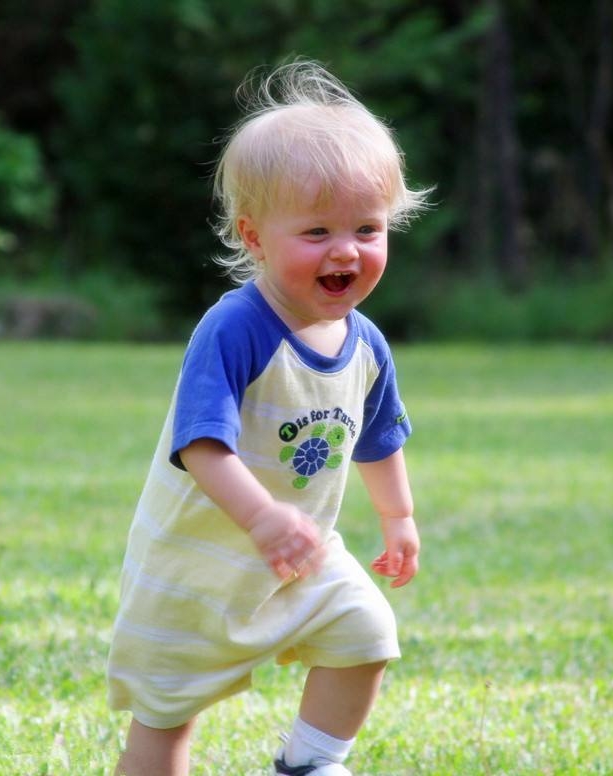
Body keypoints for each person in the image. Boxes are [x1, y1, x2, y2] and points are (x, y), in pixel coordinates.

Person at [108, 60, 430, 776]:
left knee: (367, 632)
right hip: (197, 569)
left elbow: (378, 437)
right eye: (317, 231)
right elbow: (200, 444)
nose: (346, 249)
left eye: (368, 228)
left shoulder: (366, 344)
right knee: (165, 722)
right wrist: (260, 518)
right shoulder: (236, 329)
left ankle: (308, 764)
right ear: (254, 238)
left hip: (300, 558)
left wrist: (399, 519)